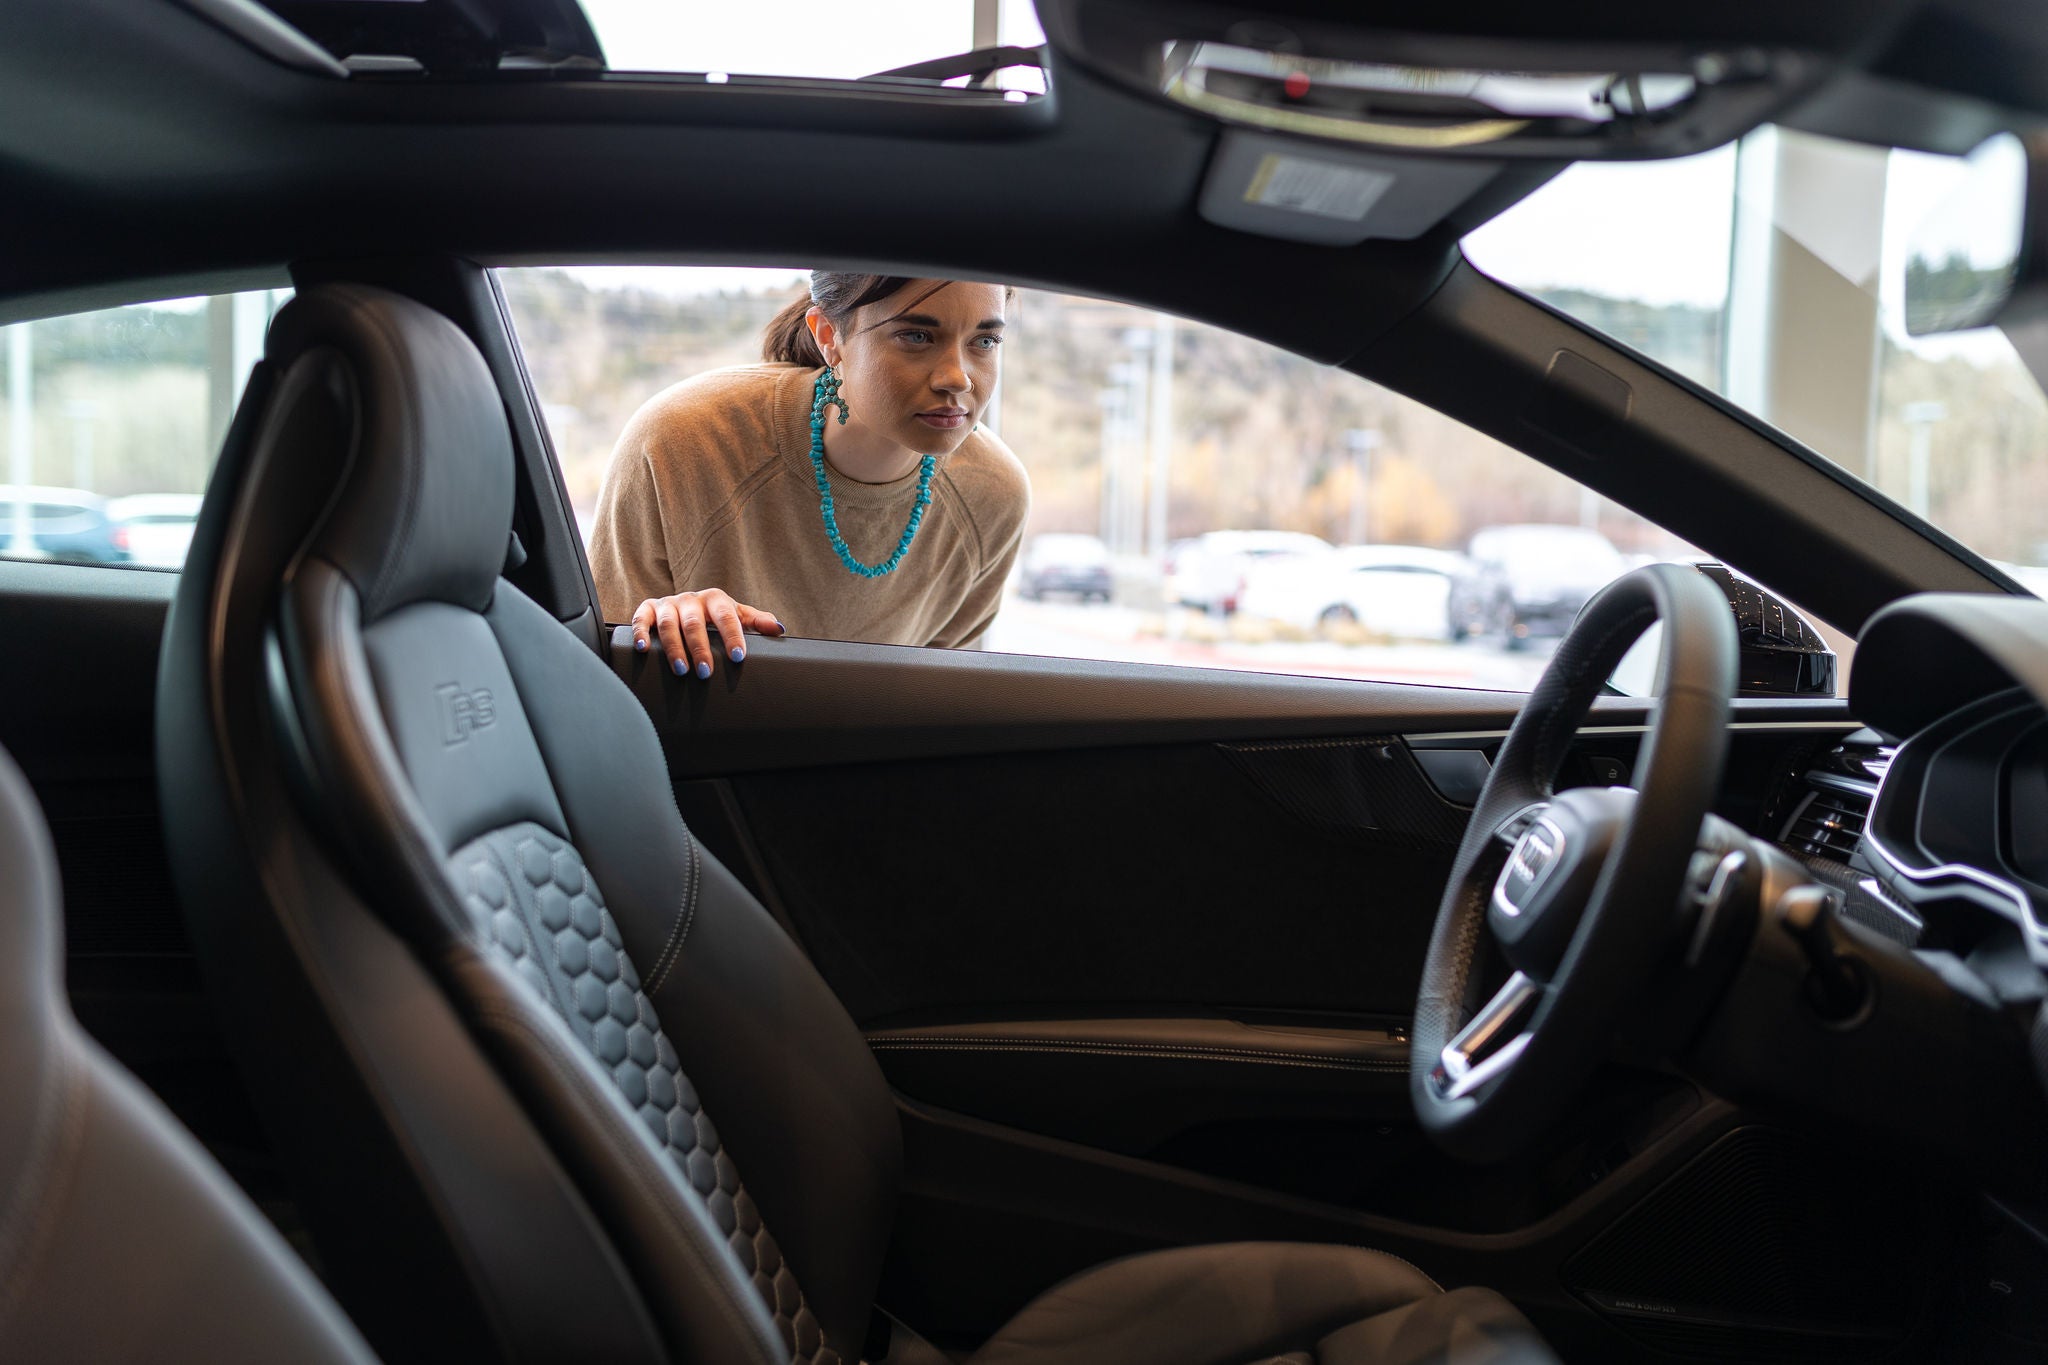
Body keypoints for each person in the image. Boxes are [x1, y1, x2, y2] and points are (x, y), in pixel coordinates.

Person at [588, 272, 1030, 678]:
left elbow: (931, 700)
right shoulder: (681, 442)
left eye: (985, 342)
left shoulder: (993, 494)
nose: (957, 379)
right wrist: (664, 621)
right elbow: (599, 672)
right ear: (829, 336)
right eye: (917, 336)